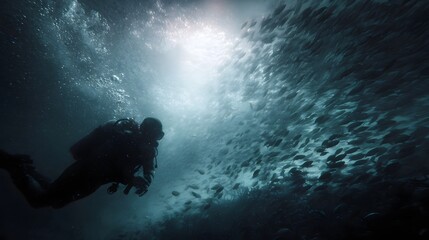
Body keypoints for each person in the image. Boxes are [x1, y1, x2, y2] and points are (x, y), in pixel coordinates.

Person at [0, 117, 164, 209]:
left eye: (158, 137)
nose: (155, 141)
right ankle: (16, 167)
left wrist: (147, 180)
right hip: (84, 172)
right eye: (156, 135)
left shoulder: (147, 151)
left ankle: (26, 170)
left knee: (56, 201)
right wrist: (132, 180)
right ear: (147, 131)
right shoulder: (125, 138)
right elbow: (109, 164)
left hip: (93, 181)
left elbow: (149, 169)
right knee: (40, 200)